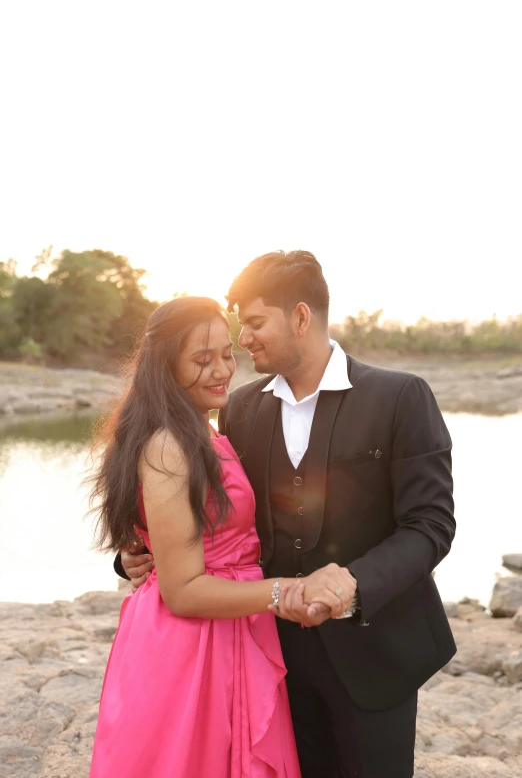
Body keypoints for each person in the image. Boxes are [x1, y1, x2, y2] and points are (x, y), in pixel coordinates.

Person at [119, 251, 457, 778]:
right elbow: (203, 514)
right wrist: (135, 555)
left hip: (374, 656)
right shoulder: (239, 410)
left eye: (254, 324)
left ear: (300, 317)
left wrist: (355, 582)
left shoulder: (399, 397)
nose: (244, 340)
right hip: (270, 660)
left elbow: (431, 524)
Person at [88, 295, 346, 778]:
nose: (222, 368)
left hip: (231, 625)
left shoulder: (204, 430)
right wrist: (285, 591)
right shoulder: (168, 443)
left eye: (226, 353)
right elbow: (183, 590)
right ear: (167, 368)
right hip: (190, 644)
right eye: (201, 360)